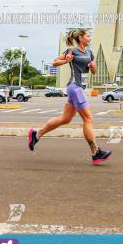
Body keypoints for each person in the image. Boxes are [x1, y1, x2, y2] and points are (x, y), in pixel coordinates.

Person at [28, 29, 111, 165]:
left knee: (65, 119)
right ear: (81, 38)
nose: (90, 38)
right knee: (88, 118)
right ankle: (95, 152)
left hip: (79, 89)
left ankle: (36, 134)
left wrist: (93, 67)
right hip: (75, 87)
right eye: (88, 36)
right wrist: (66, 61)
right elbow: (55, 62)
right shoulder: (72, 51)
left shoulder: (89, 52)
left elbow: (94, 72)